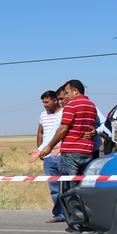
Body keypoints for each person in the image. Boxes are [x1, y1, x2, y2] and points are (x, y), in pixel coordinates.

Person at [38, 79, 98, 187]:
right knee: (82, 186)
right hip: (87, 151)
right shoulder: (92, 106)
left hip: (71, 153)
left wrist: (50, 146)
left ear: (75, 91)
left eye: (67, 92)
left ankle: (71, 204)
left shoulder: (71, 105)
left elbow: (63, 129)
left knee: (68, 189)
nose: (66, 96)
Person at [33, 90, 64, 223]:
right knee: (54, 188)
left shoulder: (65, 113)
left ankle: (72, 214)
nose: (44, 105)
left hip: (63, 155)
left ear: (55, 100)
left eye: (47, 102)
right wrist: (40, 150)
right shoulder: (43, 115)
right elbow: (40, 132)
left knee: (68, 186)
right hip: (48, 157)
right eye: (43, 102)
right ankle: (59, 214)